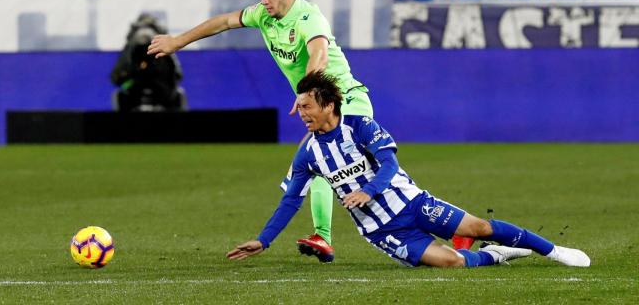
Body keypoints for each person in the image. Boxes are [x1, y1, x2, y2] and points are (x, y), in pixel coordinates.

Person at [226, 71, 591, 268]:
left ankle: (553, 250)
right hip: (382, 230)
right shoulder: (308, 154)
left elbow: (390, 164)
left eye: (306, 106)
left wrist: (368, 191)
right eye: (300, 107)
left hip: (412, 202)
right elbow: (291, 200)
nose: (301, 114)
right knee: (450, 263)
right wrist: (264, 240)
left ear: (328, 105)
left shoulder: (360, 126)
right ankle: (497, 254)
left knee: (479, 227)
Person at [148, 0, 371, 262]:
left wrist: (307, 91)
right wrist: (178, 41)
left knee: (351, 169)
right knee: (328, 165)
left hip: (346, 100)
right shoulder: (264, 17)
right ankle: (325, 237)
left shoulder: (308, 17)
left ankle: (328, 236)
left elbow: (317, 53)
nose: (263, 0)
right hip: (321, 105)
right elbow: (225, 21)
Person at [112, 14, 186, 112]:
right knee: (179, 94)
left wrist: (130, 83)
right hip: (157, 92)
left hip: (138, 90)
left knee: (120, 93)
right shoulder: (164, 44)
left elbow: (117, 78)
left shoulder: (129, 46)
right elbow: (178, 75)